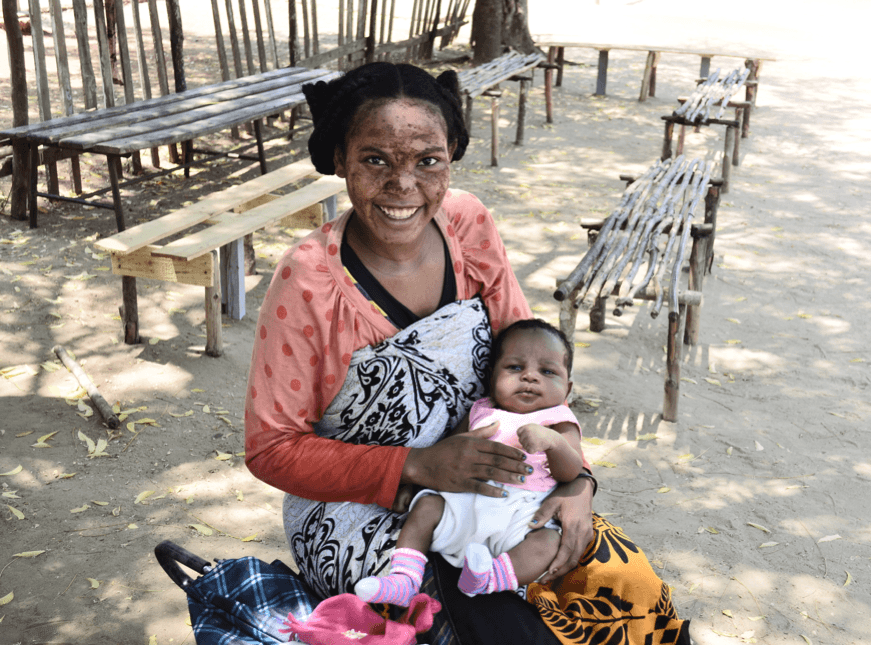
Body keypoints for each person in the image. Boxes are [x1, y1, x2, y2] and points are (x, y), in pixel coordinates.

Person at [244, 61, 691, 645]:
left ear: (451, 154)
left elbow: (534, 366)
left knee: (631, 589)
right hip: (356, 507)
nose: (403, 186)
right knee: (502, 631)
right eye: (375, 159)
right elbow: (271, 449)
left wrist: (578, 480)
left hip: (497, 483)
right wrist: (418, 465)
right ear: (339, 159)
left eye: (427, 161)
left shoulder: (469, 224)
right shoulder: (307, 280)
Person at [354, 319, 583, 607]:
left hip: (521, 516)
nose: (529, 377)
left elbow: (571, 471)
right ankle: (404, 579)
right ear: (492, 377)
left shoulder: (559, 421)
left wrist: (554, 443)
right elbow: (446, 452)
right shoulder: (481, 410)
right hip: (462, 504)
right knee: (426, 507)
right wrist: (411, 484)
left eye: (547, 371)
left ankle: (488, 578)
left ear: (568, 388)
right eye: (515, 368)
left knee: (548, 543)